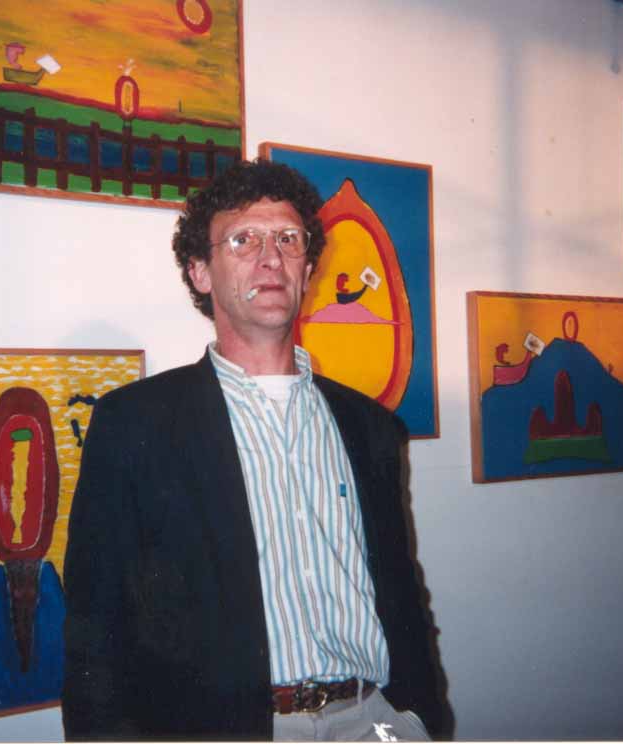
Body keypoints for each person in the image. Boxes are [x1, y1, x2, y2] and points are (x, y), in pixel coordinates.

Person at [62, 160, 446, 741]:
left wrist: (420, 716)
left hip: (375, 720)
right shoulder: (136, 423)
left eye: (288, 239)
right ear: (200, 272)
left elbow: (401, 589)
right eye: (244, 240)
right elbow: (95, 624)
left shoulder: (370, 426)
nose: (271, 257)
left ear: (308, 269)